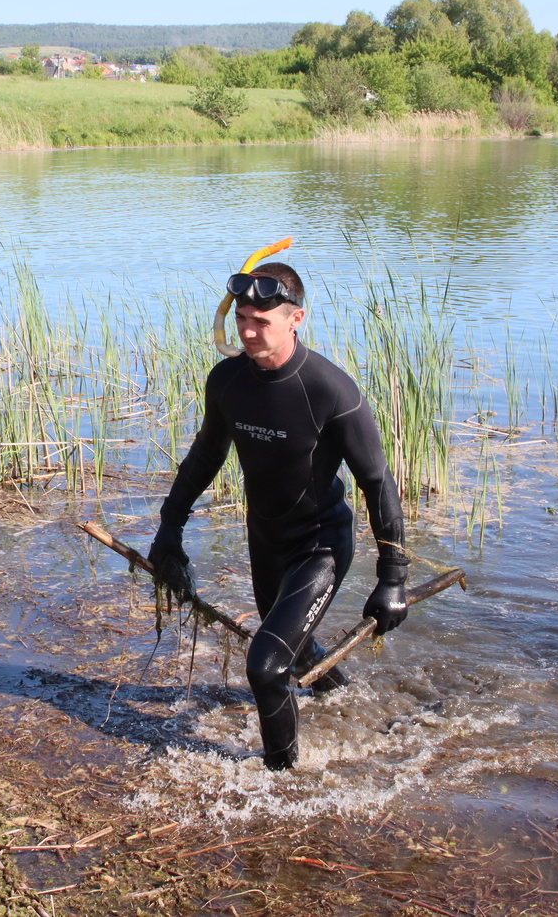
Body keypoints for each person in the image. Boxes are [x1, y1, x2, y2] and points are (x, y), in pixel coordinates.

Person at [147, 261, 407, 771]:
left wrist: (392, 579)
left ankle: (281, 780)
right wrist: (168, 529)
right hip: (265, 541)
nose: (247, 331)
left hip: (320, 546)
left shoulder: (331, 391)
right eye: (241, 317)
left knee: (265, 666)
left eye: (261, 322)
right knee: (297, 649)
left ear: (296, 319)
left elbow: (377, 483)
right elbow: (205, 456)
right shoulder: (227, 381)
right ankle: (353, 708)